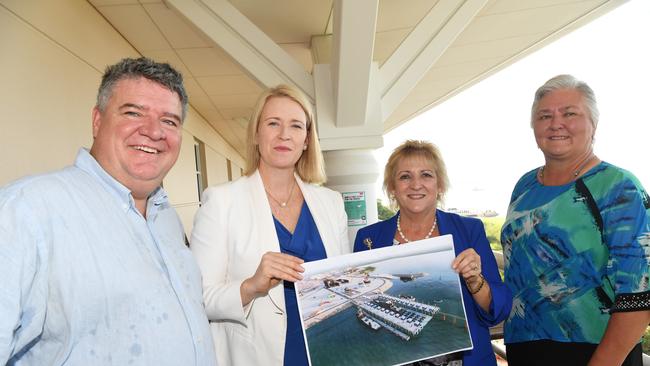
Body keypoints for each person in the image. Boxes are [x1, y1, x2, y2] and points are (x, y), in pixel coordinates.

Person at [0, 57, 216, 365]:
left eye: (169, 121)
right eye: (133, 113)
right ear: (97, 121)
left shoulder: (165, 217)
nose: (154, 132)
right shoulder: (26, 211)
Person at [191, 84, 349, 365]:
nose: (284, 135)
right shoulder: (221, 201)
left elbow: (344, 281)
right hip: (257, 356)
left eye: (296, 126)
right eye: (273, 123)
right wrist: (251, 285)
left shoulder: (331, 203)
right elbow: (201, 299)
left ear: (306, 140)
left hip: (328, 350)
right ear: (256, 134)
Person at [501, 74, 650, 366]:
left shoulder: (619, 187)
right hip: (524, 348)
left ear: (593, 124)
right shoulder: (525, 186)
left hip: (598, 353)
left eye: (569, 113)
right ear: (534, 127)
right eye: (545, 116)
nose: (556, 123)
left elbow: (640, 294)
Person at [354, 140, 512, 366]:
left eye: (426, 175)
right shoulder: (368, 239)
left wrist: (475, 280)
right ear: (392, 187)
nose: (416, 184)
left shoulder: (469, 231)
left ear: (440, 186)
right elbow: (363, 306)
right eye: (405, 176)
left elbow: (497, 311)